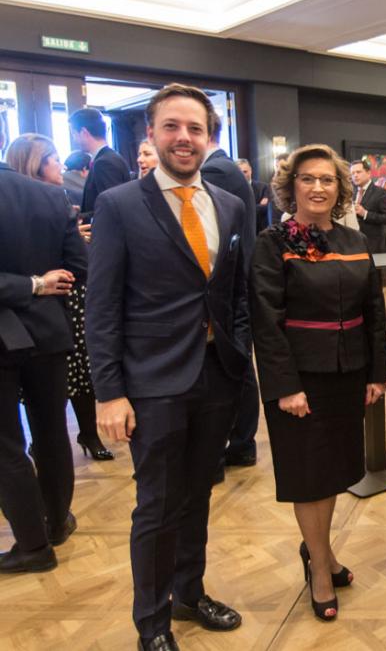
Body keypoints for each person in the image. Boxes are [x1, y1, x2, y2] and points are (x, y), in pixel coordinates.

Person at [87, 83, 251, 651]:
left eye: (195, 128)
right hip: (151, 382)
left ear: (210, 137)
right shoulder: (118, 205)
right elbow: (102, 306)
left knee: (198, 493)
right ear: (151, 134)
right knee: (156, 505)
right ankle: (152, 625)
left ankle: (189, 593)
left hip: (216, 375)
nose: (184, 138)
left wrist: (239, 352)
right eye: (172, 127)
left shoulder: (229, 205)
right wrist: (109, 392)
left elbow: (235, 293)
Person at [251, 143, 386, 622]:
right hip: (300, 381)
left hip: (349, 375)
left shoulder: (354, 241)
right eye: (308, 178)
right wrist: (285, 386)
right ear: (291, 187)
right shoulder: (272, 243)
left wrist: (377, 373)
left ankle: (321, 551)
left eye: (327, 179)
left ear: (340, 188)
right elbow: (266, 321)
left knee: (332, 472)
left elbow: (374, 311)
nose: (318, 187)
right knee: (308, 477)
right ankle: (319, 570)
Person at [0, 141, 86, 573]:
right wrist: (40, 284)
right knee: (51, 431)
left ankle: (34, 545)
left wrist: (29, 285)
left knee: (5, 445)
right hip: (48, 330)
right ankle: (56, 522)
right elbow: (80, 267)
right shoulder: (52, 196)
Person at [7, 135, 111, 461]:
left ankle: (83, 435)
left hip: (37, 311)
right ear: (37, 163)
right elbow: (80, 265)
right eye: (54, 159)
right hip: (55, 305)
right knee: (54, 414)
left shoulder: (52, 198)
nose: (60, 166)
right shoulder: (53, 199)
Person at [200, 116, 259, 470]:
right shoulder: (226, 168)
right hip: (236, 283)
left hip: (231, 285)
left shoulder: (216, 171)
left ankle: (241, 441)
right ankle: (241, 441)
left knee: (237, 363)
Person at [71, 107, 130, 215]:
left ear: (84, 133)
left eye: (74, 134)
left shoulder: (104, 163)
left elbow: (112, 208)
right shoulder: (109, 157)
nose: (74, 140)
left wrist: (80, 216)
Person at [349, 159, 386, 254]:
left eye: (358, 172)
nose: (355, 175)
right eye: (352, 173)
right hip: (353, 245)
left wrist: (365, 214)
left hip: (374, 246)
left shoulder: (381, 193)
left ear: (368, 173)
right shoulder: (350, 193)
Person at [237, 158, 272, 233]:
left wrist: (244, 210)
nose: (243, 175)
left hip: (260, 231)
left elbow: (265, 209)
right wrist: (258, 206)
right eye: (240, 172)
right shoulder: (233, 191)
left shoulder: (263, 187)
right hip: (241, 232)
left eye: (245, 172)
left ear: (251, 170)